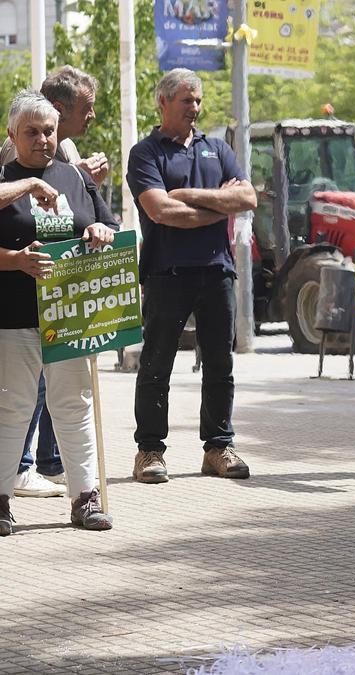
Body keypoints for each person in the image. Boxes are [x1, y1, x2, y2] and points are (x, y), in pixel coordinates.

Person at [126, 68, 257, 484]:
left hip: (217, 272)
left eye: (198, 101)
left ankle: (218, 447)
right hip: (167, 274)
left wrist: (189, 196)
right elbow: (160, 211)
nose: (195, 108)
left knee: (220, 364)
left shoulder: (217, 148)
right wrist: (219, 205)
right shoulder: (145, 153)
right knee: (156, 364)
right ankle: (149, 451)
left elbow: (249, 197)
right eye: (187, 101)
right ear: (162, 102)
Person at [0, 90, 118, 534]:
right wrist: (15, 260)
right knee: (11, 406)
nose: (42, 139)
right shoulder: (5, 177)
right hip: (13, 315)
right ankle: (1, 499)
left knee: (74, 404)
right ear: (12, 135)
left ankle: (85, 497)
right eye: (31, 132)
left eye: (48, 130)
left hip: (71, 314)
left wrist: (99, 230)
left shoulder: (73, 176)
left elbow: (105, 223)